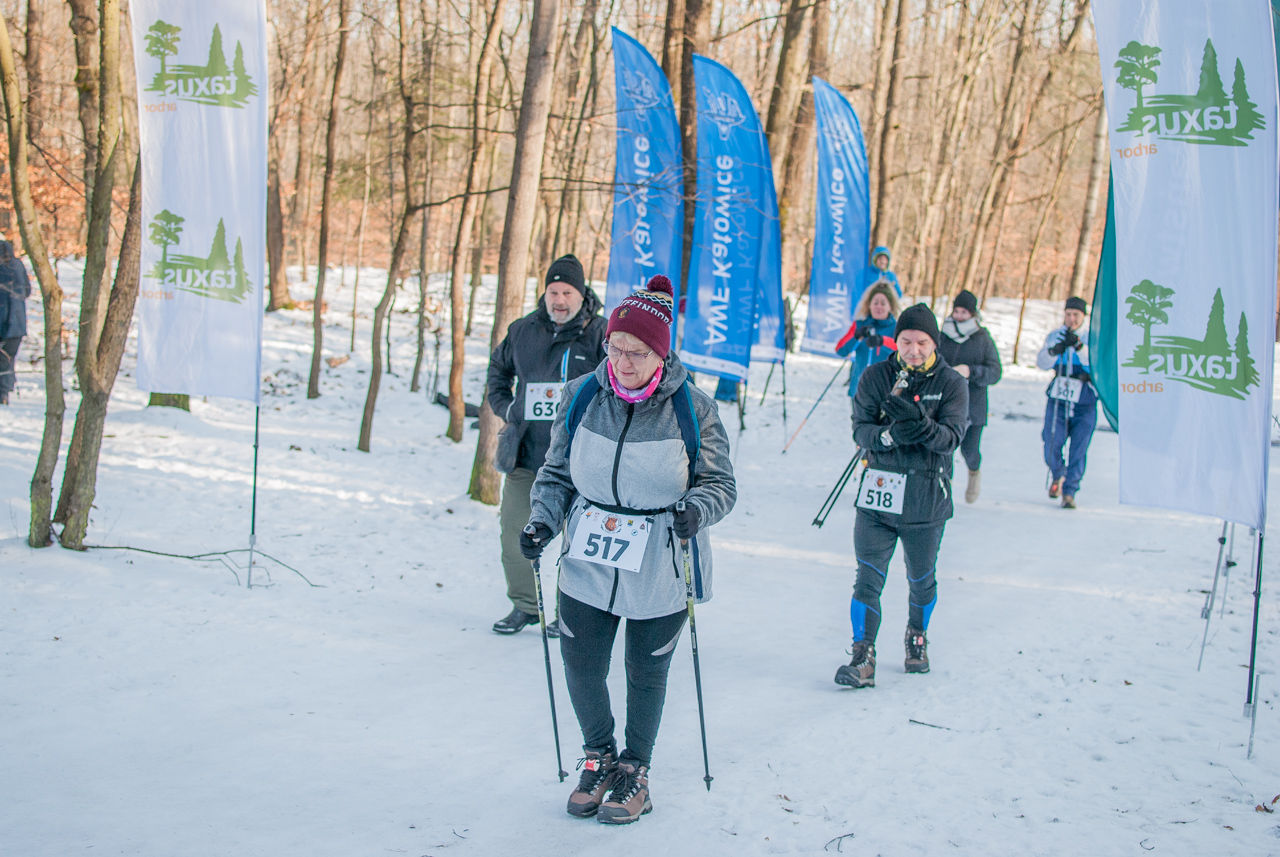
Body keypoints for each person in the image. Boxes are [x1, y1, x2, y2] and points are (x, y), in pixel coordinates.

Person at [522, 274, 736, 824]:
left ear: (660, 353)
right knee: (581, 664)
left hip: (661, 559)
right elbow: (554, 474)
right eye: (615, 349)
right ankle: (599, 756)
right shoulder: (583, 396)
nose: (622, 361)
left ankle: (634, 771)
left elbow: (720, 484)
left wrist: (696, 510)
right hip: (591, 554)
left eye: (636, 353)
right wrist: (542, 522)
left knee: (645, 672)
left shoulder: (695, 408)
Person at [836, 303, 968, 689]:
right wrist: (890, 435)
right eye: (906, 341)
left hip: (926, 498)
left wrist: (919, 425)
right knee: (867, 579)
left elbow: (951, 439)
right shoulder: (876, 377)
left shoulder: (951, 384)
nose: (913, 350)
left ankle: (916, 636)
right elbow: (861, 431)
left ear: (934, 343)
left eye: (922, 342)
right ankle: (863, 655)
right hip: (880, 494)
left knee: (921, 578)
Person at [486, 254, 607, 635]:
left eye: (567, 291)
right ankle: (525, 605)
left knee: (575, 544)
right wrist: (509, 408)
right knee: (514, 537)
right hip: (525, 454)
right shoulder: (523, 330)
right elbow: (498, 371)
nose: (559, 299)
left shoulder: (602, 333)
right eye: (553, 291)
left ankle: (566, 612)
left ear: (581, 293)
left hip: (579, 461)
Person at [938, 289, 1002, 503]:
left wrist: (971, 371)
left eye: (964, 312)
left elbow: (995, 371)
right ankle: (943, 489)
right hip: (945, 403)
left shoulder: (982, 338)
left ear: (973, 315)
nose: (959, 315)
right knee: (944, 449)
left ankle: (974, 473)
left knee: (969, 450)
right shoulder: (941, 334)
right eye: (956, 310)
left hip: (973, 405)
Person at [1036, 296, 1096, 510]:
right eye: (1068, 314)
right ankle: (1057, 473)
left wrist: (1079, 347)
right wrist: (1054, 351)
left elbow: (1096, 365)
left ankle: (1070, 491)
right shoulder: (1055, 335)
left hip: (1085, 397)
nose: (1071, 319)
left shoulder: (1091, 337)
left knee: (1079, 447)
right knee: (1051, 439)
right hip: (1059, 395)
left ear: (1083, 317)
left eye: (1076, 315)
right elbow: (1042, 363)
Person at [835, 281, 900, 406]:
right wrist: (856, 336)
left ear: (890, 306)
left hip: (886, 391)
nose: (878, 307)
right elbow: (841, 350)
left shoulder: (896, 328)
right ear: (869, 305)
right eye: (875, 303)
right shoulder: (860, 325)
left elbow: (902, 352)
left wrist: (883, 341)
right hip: (860, 390)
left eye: (883, 303)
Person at [0, 240, 31, 405]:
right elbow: (27, 291)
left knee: (3, 359)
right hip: (17, 325)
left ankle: (3, 394)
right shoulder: (17, 266)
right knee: (8, 358)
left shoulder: (5, 269)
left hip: (5, 323)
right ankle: (6, 391)